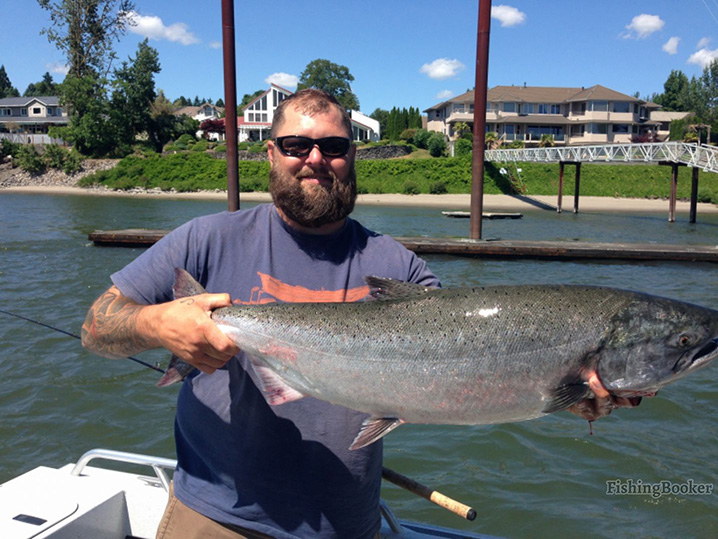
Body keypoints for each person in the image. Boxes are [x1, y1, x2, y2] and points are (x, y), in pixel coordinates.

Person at [81, 88, 440, 539]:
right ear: (271, 154)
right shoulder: (206, 240)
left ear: (352, 155)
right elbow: (96, 326)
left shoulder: (401, 269)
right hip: (215, 518)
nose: (316, 159)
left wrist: (549, 389)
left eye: (334, 147)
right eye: (296, 146)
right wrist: (158, 324)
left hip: (345, 527)